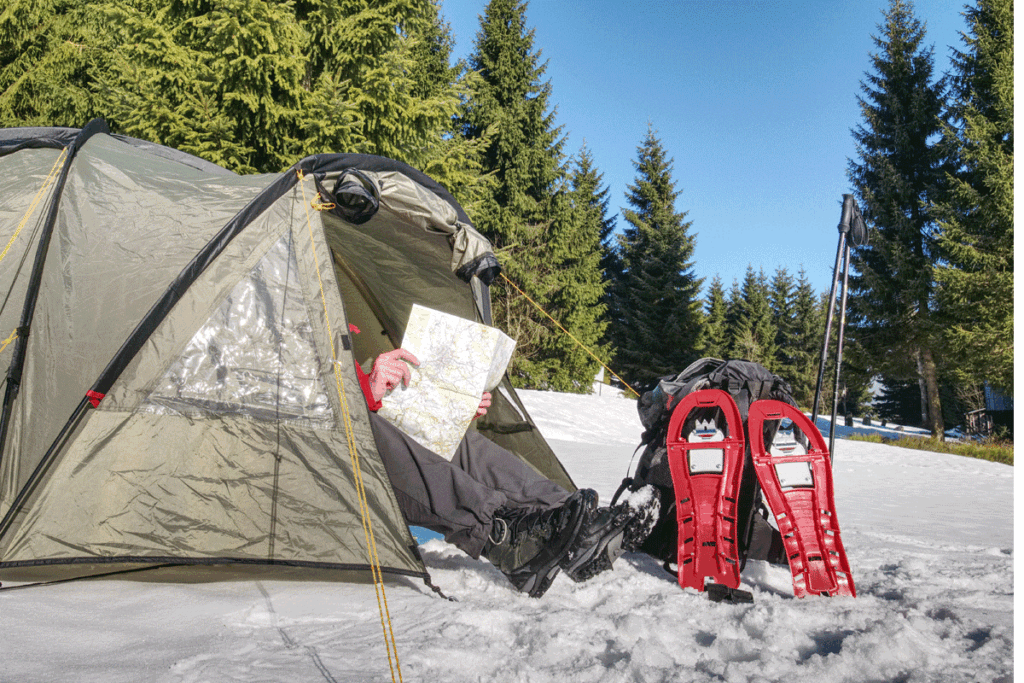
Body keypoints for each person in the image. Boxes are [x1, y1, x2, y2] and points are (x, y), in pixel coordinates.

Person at [355, 347, 658, 598]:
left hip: (360, 409)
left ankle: (572, 524)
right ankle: (503, 539)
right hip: (336, 446)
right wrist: (365, 392)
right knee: (361, 428)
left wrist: (450, 408)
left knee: (457, 441)